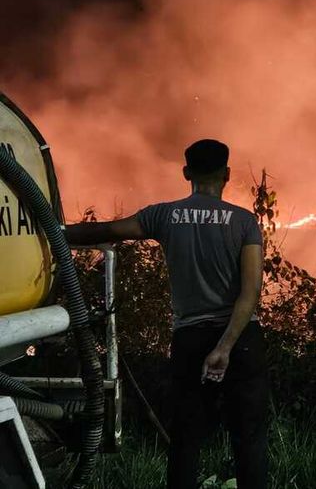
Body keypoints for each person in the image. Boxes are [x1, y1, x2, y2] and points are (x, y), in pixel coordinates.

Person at [64, 139, 268, 489]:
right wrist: (225, 347)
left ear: (186, 172)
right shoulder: (245, 222)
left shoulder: (163, 215)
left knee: (186, 437)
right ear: (227, 174)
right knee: (248, 438)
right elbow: (249, 295)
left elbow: (106, 231)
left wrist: (53, 232)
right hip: (240, 341)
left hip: (189, 338)